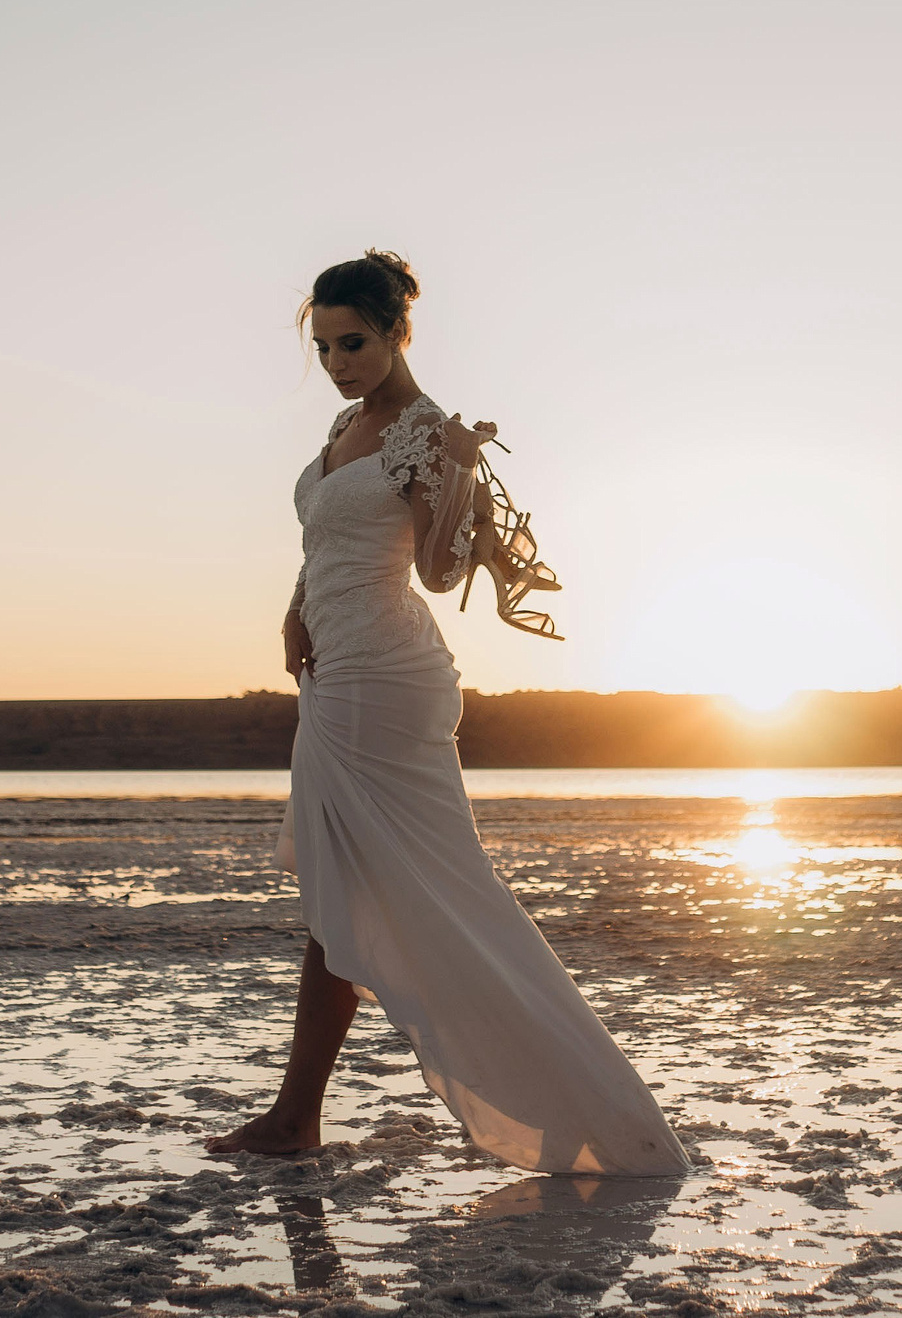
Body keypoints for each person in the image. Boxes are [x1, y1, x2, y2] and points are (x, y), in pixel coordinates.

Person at [204, 250, 689, 1176]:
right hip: (331, 673)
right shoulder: (347, 424)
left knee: (429, 895)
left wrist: (459, 478)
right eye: (325, 345)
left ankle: (562, 1105)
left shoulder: (426, 432)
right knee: (337, 899)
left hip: (385, 680)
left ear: (397, 334)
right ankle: (295, 1114)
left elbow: (435, 569)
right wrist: (293, 608)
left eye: (355, 341)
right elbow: (328, 538)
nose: (339, 360)